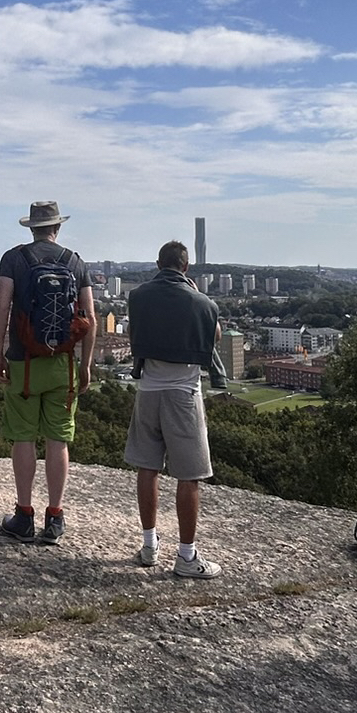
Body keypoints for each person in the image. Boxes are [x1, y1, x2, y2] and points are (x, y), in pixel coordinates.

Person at [0, 201, 95, 545]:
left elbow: (2, 307)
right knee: (57, 438)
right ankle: (55, 517)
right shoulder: (75, 262)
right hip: (62, 364)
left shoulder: (14, 259)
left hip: (23, 362)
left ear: (30, 228)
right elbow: (90, 318)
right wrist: (86, 364)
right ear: (57, 227)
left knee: (23, 437)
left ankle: (23, 516)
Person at [124, 240, 226, 579]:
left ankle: (149, 546)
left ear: (158, 264)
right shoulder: (203, 303)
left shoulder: (138, 297)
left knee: (147, 468)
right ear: (186, 267)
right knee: (189, 475)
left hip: (148, 391)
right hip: (184, 394)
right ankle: (185, 556)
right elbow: (215, 336)